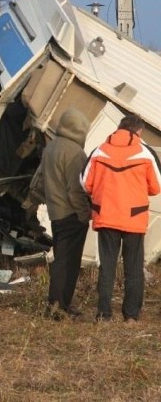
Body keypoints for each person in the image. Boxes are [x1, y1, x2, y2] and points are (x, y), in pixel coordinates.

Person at [81, 113, 161, 323]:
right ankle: (131, 316)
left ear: (118, 128)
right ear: (139, 131)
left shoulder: (99, 151)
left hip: (106, 215)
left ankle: (104, 314)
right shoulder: (146, 152)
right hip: (134, 218)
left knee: (107, 265)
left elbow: (85, 183)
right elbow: (156, 186)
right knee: (133, 267)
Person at [39, 108, 91, 319]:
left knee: (61, 258)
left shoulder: (50, 147)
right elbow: (76, 189)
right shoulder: (75, 152)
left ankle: (58, 303)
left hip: (56, 212)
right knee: (68, 262)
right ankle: (59, 305)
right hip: (71, 214)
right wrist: (84, 213)